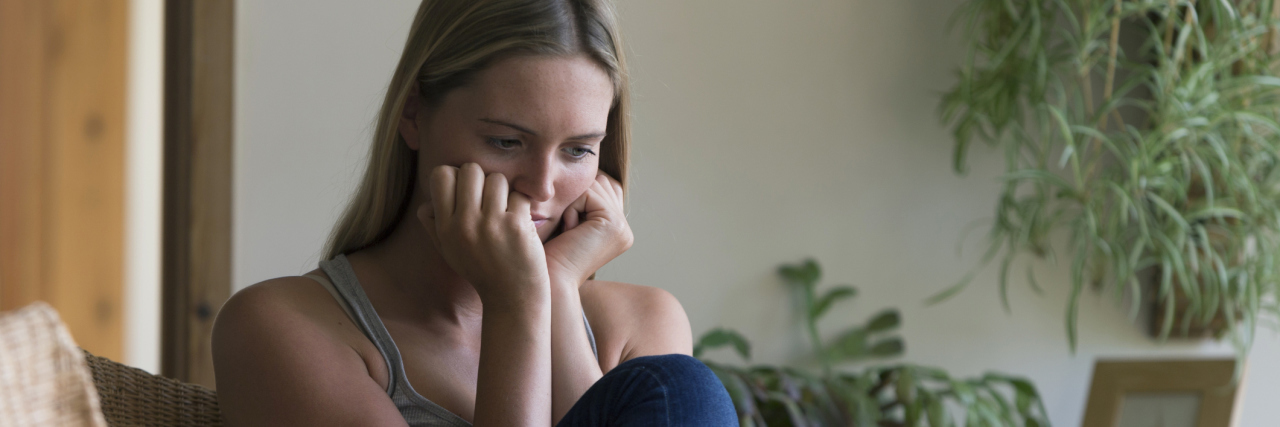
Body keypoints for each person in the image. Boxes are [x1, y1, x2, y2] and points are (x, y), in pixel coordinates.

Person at [211, 0, 737, 426]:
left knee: (676, 387)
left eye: (577, 150)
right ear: (414, 115)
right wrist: (516, 303)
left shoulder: (639, 324)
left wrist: (553, 289)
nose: (542, 185)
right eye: (506, 141)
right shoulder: (283, 328)